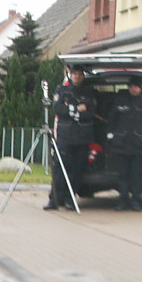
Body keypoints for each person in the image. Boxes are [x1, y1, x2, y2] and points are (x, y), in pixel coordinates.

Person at [45, 66, 96, 211]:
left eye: (80, 75)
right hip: (65, 137)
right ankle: (54, 199)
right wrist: (76, 110)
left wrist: (70, 112)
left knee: (76, 171)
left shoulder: (89, 93)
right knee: (59, 169)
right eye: (75, 74)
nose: (77, 77)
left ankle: (70, 199)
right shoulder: (62, 90)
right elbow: (58, 109)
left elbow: (90, 112)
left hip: (82, 138)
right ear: (70, 75)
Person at [106, 77, 142, 211]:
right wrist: (111, 134)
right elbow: (111, 119)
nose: (133, 89)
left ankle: (136, 201)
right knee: (123, 176)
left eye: (136, 87)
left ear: (141, 88)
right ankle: (122, 201)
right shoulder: (120, 102)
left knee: (137, 176)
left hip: (140, 147)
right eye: (131, 86)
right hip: (122, 146)